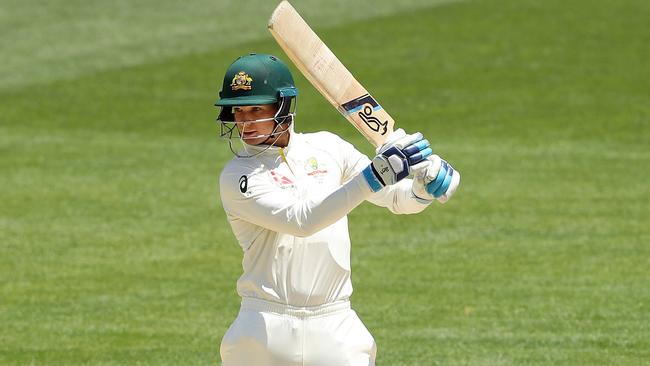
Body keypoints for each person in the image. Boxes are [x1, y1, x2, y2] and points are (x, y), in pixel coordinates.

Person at [214, 53, 460, 366]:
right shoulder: (238, 176)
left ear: (282, 106)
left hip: (335, 324)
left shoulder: (328, 147)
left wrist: (422, 189)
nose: (244, 121)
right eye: (237, 110)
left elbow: (395, 199)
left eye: (255, 109)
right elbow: (303, 219)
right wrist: (375, 175)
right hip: (264, 326)